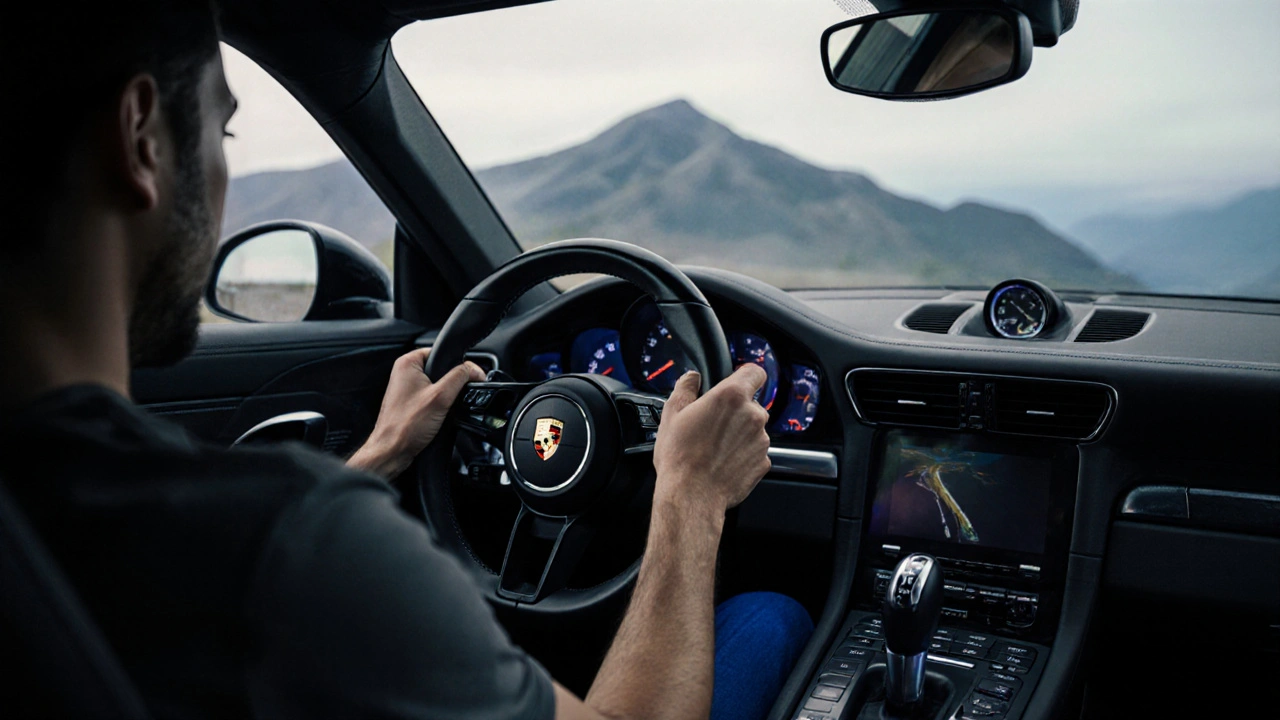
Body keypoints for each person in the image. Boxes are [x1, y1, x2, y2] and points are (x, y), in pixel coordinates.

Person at [0, 2, 813, 719]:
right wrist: (689, 496)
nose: (221, 177)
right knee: (771, 615)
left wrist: (381, 455)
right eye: (223, 132)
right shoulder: (293, 544)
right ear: (141, 136)